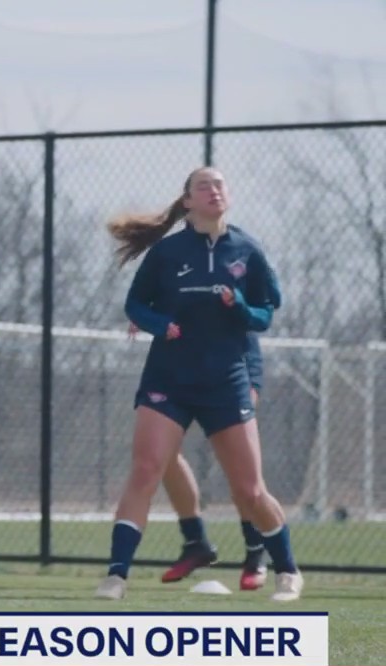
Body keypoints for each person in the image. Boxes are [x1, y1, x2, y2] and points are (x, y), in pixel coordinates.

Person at [96, 166, 302, 602]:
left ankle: (287, 571)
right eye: (203, 185)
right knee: (146, 469)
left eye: (220, 183)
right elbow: (136, 303)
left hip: (225, 380)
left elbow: (266, 312)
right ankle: (115, 576)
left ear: (228, 195)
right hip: (168, 378)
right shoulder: (167, 253)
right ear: (187, 201)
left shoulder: (248, 249)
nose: (214, 190)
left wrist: (241, 305)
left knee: (249, 490)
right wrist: (159, 324)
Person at [130, 322, 270, 591]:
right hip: (179, 381)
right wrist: (144, 312)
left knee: (240, 473)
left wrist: (252, 380)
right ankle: (195, 542)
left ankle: (255, 553)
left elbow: (247, 324)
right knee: (160, 456)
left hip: (228, 381)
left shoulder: (228, 282)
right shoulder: (173, 282)